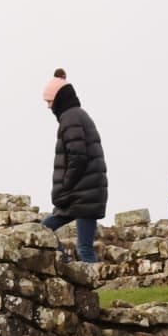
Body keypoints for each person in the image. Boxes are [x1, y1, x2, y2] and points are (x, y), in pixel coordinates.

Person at [41, 70, 106, 262]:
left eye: (49, 101)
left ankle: (70, 269)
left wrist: (65, 186)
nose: (48, 106)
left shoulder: (70, 118)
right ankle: (77, 275)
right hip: (87, 193)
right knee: (83, 246)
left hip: (80, 195)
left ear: (58, 98)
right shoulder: (77, 116)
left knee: (44, 230)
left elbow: (78, 157)